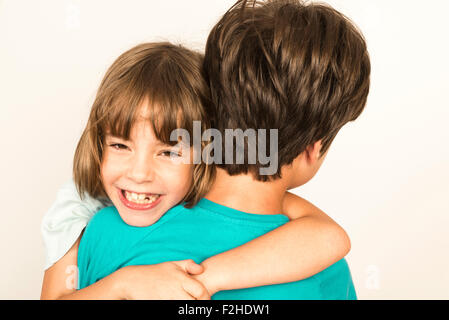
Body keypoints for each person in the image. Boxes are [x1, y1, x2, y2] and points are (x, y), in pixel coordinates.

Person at [41, 41, 353, 300]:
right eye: (120, 146)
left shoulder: (222, 193)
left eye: (168, 152)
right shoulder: (81, 207)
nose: (139, 173)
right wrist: (125, 283)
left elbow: (329, 236)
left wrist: (206, 278)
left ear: (210, 153)